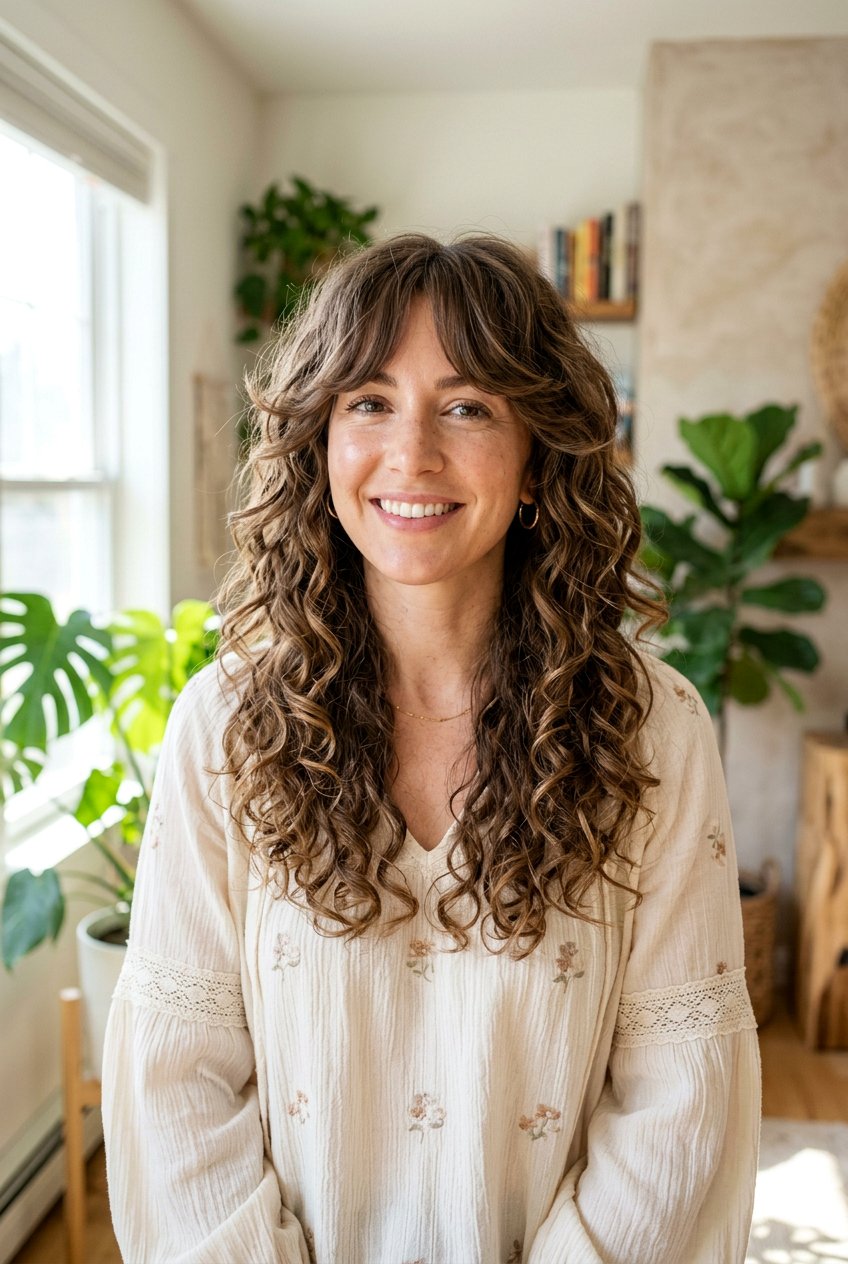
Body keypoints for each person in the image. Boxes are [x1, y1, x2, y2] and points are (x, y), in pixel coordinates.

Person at [101, 232, 761, 1264]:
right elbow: (175, 1080)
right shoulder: (222, 725)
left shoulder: (654, 728)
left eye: (465, 407)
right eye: (366, 401)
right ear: (319, 444)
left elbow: (681, 1090)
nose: (410, 454)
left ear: (538, 458)